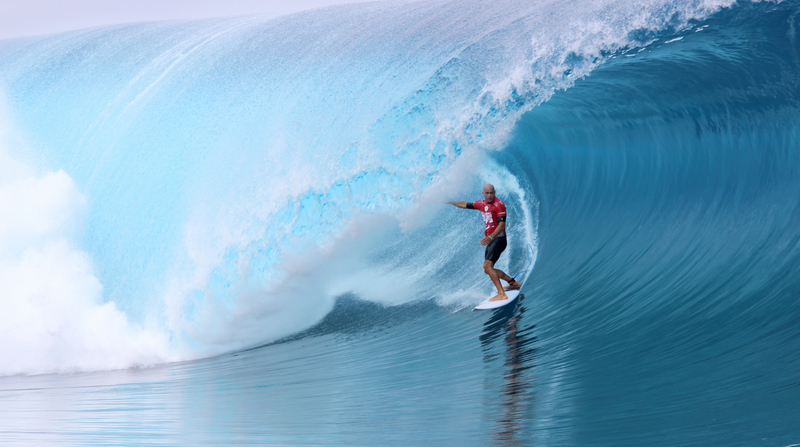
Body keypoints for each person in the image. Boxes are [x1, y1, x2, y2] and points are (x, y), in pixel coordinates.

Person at [447, 184, 521, 301]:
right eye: (487, 193)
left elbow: (502, 225)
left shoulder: (499, 205)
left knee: (487, 266)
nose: (489, 195)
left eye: (491, 193)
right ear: (483, 193)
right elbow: (464, 204)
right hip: (491, 240)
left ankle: (501, 294)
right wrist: (450, 202)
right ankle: (513, 283)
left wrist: (490, 237)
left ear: (495, 192)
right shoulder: (480, 204)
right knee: (488, 270)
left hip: (499, 239)